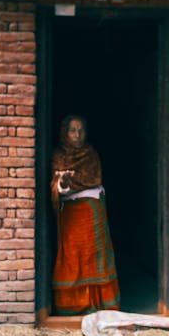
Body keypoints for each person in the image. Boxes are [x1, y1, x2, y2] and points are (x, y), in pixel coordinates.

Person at [50, 114, 121, 315]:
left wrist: (71, 183)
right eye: (72, 131)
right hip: (70, 215)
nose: (77, 135)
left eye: (81, 131)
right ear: (65, 133)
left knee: (94, 257)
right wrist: (62, 183)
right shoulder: (57, 155)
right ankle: (74, 305)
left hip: (91, 212)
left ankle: (99, 304)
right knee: (73, 257)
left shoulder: (91, 154)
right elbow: (56, 184)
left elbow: (93, 178)